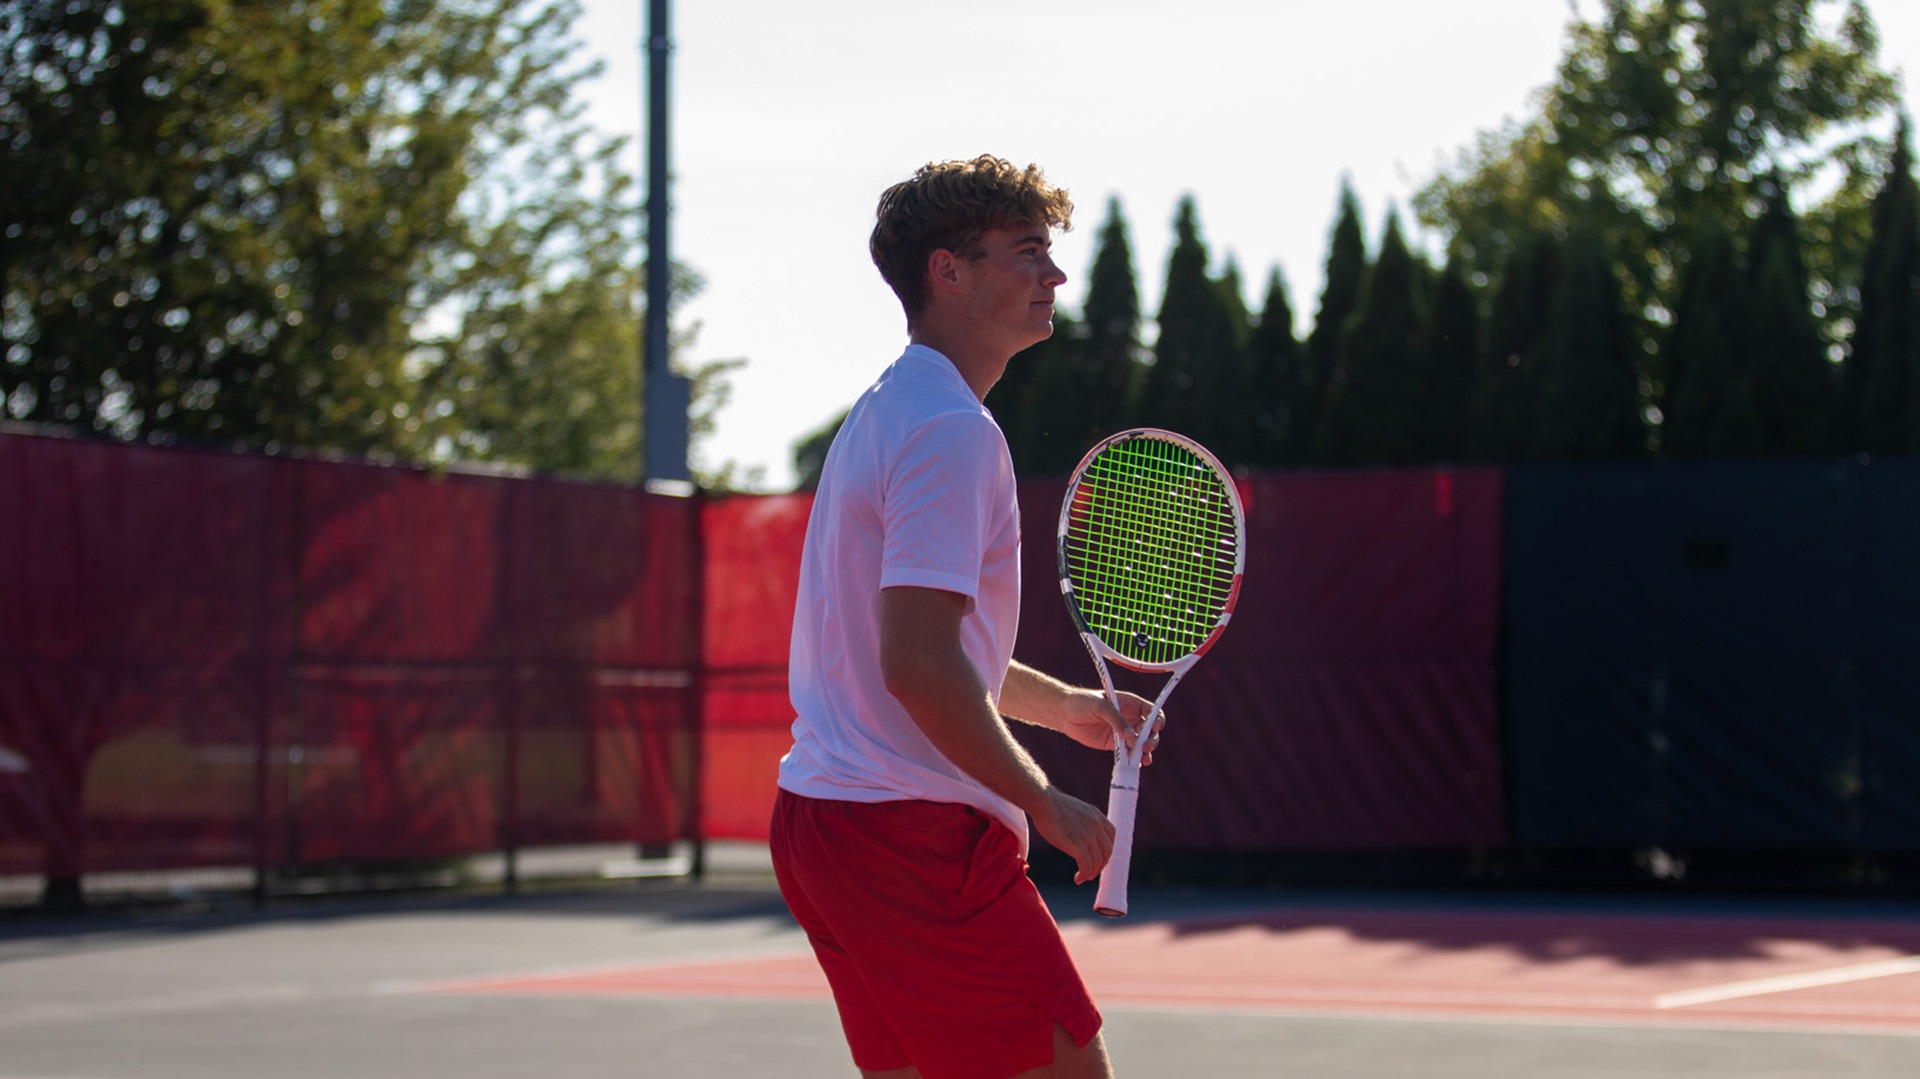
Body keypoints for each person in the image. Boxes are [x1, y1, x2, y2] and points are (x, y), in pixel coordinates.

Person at [770, 155, 1159, 1079]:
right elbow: (917, 664)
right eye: (1028, 253)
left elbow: (917, 645)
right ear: (948, 269)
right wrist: (1046, 800)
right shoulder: (950, 430)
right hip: (910, 838)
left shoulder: (887, 410)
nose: (1054, 277)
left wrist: (1066, 705)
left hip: (825, 822)